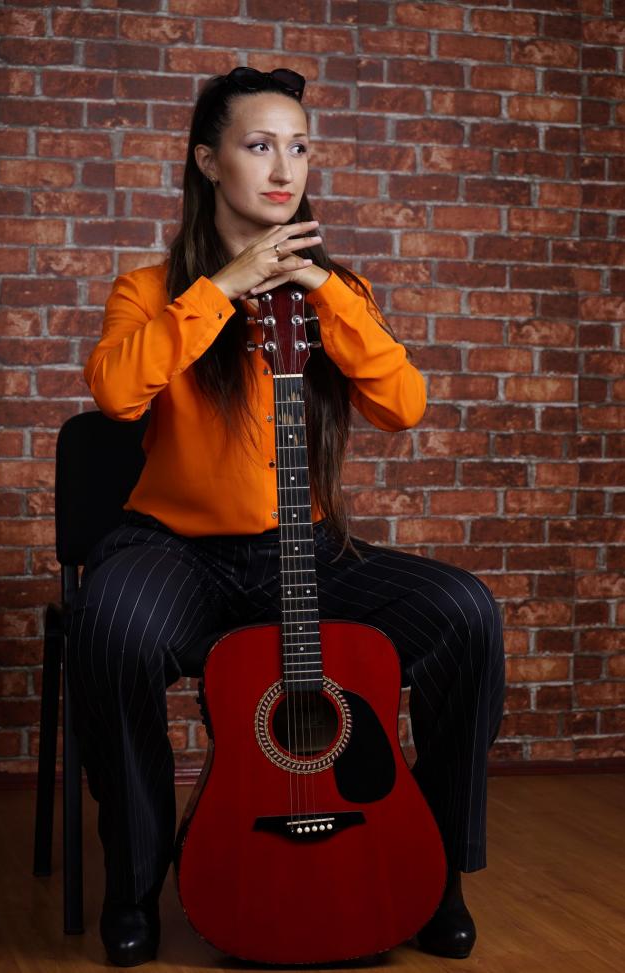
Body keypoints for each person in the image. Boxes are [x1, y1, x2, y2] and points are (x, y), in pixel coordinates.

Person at [67, 66, 506, 967]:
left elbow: (404, 406)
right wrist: (221, 287)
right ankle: (135, 883)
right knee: (110, 622)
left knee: (466, 612)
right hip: (176, 552)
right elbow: (115, 393)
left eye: (298, 147)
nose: (283, 168)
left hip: (303, 555)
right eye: (259, 145)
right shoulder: (148, 289)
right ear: (207, 161)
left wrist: (325, 289)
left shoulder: (337, 292)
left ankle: (434, 872)